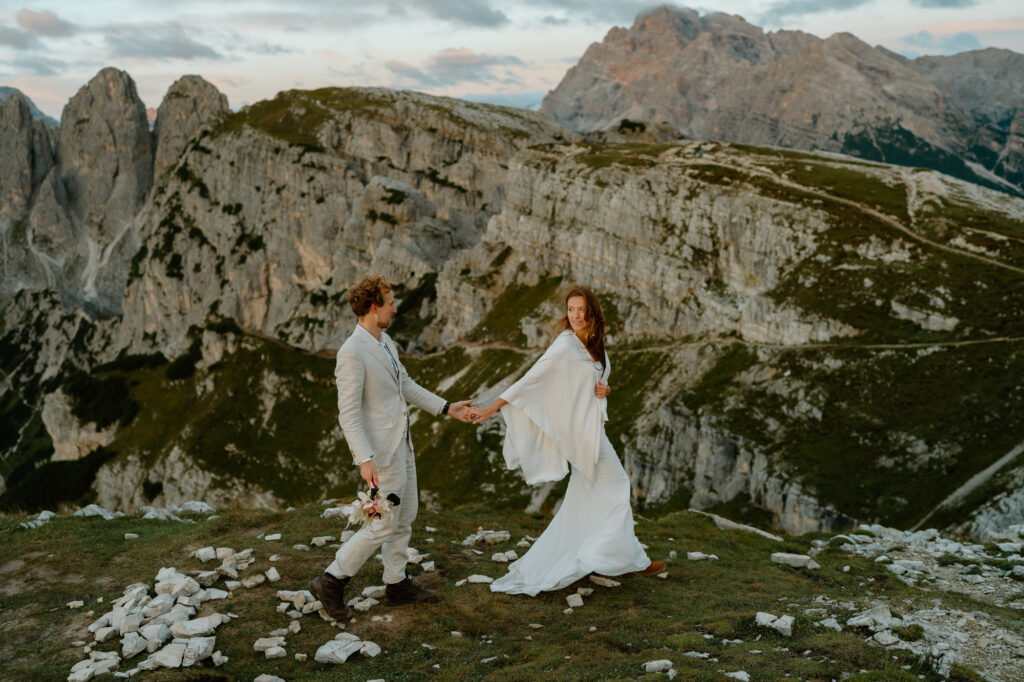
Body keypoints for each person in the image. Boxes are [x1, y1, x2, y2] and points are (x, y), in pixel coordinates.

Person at [467, 285, 665, 596]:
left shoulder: (595, 346)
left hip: (593, 429)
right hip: (582, 437)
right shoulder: (564, 345)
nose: (575, 316)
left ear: (592, 313)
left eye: (580, 310)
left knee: (581, 504)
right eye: (570, 310)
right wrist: (491, 407)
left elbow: (596, 381)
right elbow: (531, 379)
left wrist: (605, 390)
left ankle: (600, 558)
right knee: (618, 484)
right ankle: (630, 560)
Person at [309, 274, 473, 619]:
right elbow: (348, 414)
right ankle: (332, 580)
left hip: (402, 445)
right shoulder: (351, 353)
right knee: (382, 522)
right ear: (373, 307)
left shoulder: (385, 341)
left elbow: (406, 386)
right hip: (380, 454)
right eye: (391, 303)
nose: (396, 309)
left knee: (406, 514)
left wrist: (447, 408)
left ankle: (396, 583)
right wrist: (363, 458)